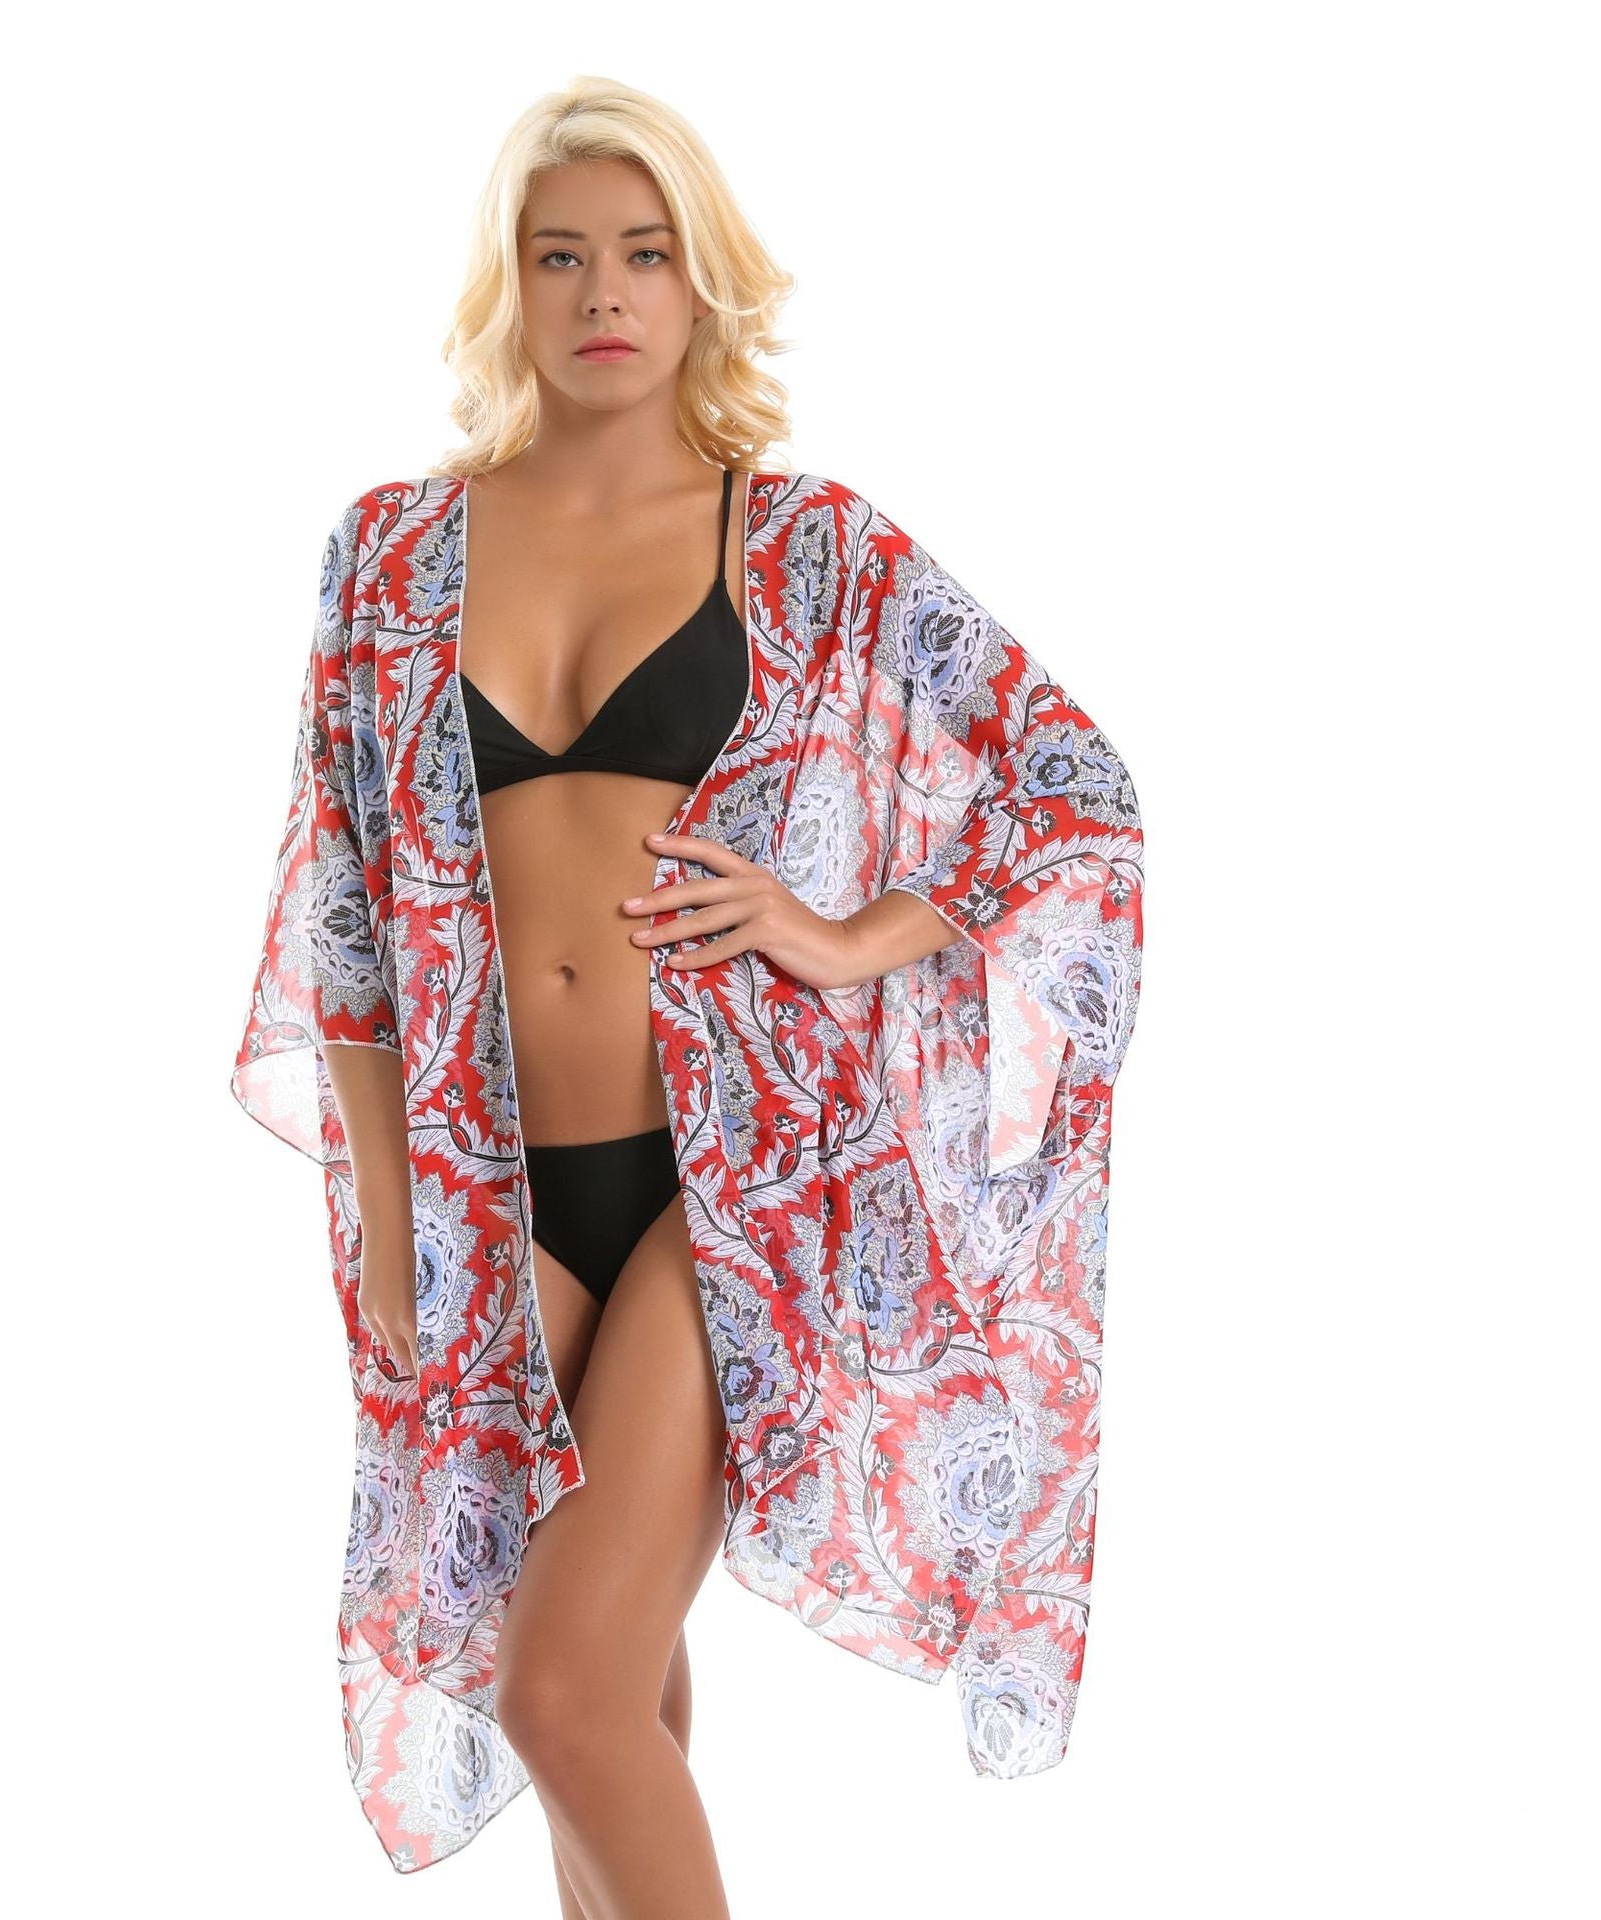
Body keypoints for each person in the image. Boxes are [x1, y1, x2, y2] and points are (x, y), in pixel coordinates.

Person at [231, 75, 1145, 1907]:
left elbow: (1075, 789)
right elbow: (345, 912)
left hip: (734, 1187)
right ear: (508, 284)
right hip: (490, 1192)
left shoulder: (808, 545)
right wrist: (394, 1211)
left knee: (560, 1694)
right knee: (609, 1684)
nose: (603, 294)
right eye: (559, 255)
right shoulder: (389, 553)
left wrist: (851, 933)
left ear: (703, 279)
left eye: (645, 254)